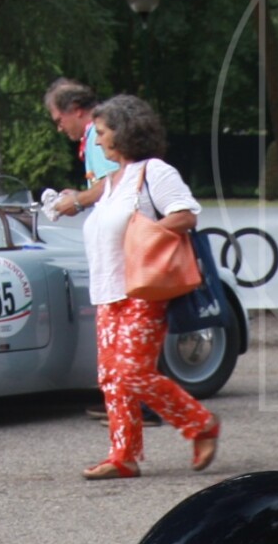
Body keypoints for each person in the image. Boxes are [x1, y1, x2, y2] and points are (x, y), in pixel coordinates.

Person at [77, 94, 220, 479]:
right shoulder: (111, 182)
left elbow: (185, 216)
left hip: (143, 288)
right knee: (111, 377)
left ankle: (201, 423)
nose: (97, 141)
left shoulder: (154, 172)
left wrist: (145, 236)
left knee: (131, 372)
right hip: (108, 291)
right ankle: (123, 456)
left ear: (123, 132)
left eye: (102, 132)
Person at [38, 79, 117, 220]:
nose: (59, 128)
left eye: (59, 120)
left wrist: (77, 201)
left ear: (76, 109)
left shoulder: (97, 135)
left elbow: (116, 181)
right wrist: (79, 196)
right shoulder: (98, 132)